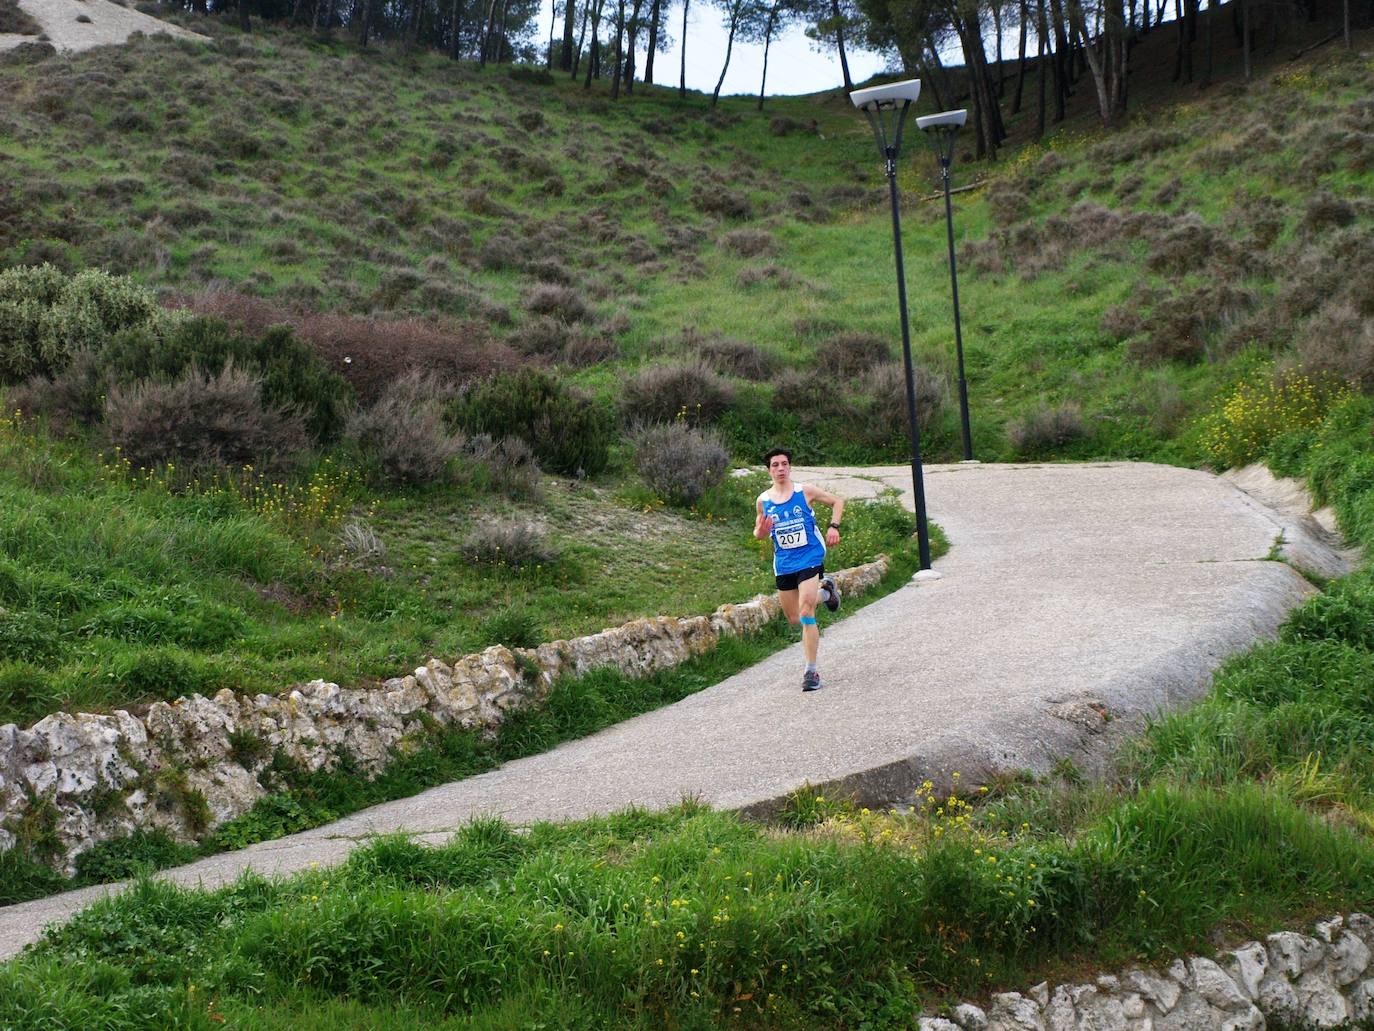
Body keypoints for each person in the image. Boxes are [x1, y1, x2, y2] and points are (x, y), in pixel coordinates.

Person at [754, 447, 845, 692]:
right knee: (794, 617)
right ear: (769, 470)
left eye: (784, 464)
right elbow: (758, 532)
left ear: (790, 467)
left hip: (810, 557)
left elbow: (837, 501)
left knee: (806, 610)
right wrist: (761, 532)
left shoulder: (804, 492)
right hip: (784, 564)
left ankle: (811, 671)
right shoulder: (763, 501)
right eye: (775, 465)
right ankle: (826, 592)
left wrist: (834, 526)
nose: (781, 468)